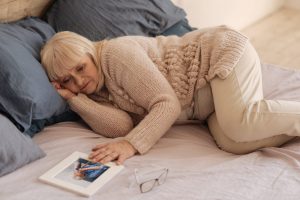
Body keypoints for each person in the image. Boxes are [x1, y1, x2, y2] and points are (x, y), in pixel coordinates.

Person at [41, 25, 299, 165]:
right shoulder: (92, 91)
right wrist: (75, 100)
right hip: (205, 100)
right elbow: (120, 126)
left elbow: (167, 104)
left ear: (89, 53)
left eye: (80, 68)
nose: (79, 80)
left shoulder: (114, 55)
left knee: (238, 123)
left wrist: (131, 144)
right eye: (67, 80)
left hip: (218, 55)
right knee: (233, 143)